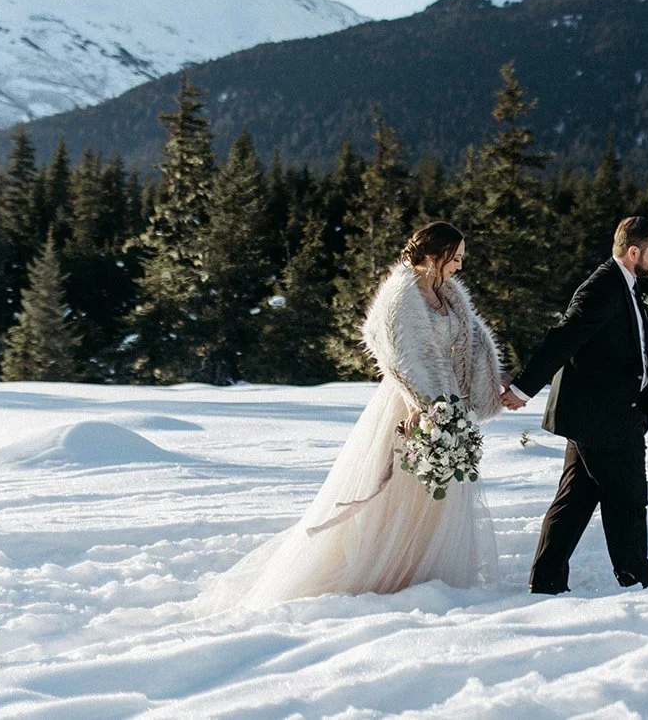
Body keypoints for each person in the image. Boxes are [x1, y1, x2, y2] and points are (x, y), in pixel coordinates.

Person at [197, 221, 506, 611]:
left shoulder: (448, 295)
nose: (460, 266)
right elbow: (395, 352)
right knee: (398, 492)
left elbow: (471, 345)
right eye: (455, 258)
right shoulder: (401, 295)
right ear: (433, 255)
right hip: (409, 405)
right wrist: (421, 405)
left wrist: (489, 383)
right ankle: (382, 569)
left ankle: (424, 569)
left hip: (447, 403)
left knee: (438, 494)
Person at [501, 215, 648, 594]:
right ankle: (639, 582)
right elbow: (563, 339)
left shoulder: (626, 286)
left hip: (605, 414)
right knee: (628, 500)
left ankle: (546, 581)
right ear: (634, 252)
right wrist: (523, 389)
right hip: (606, 416)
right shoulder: (602, 287)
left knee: (574, 501)